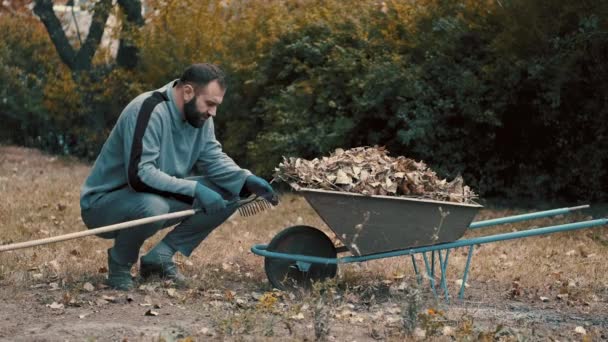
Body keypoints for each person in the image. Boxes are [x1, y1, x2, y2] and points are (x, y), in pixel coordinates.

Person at [79, 63, 277, 290]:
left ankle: (159, 258)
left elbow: (212, 157)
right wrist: (195, 190)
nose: (213, 112)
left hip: (156, 197)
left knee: (231, 190)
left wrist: (245, 179)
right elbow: (139, 175)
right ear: (188, 92)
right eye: (210, 104)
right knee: (152, 206)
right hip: (104, 205)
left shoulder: (200, 118)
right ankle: (120, 265)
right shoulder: (148, 109)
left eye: (216, 105)